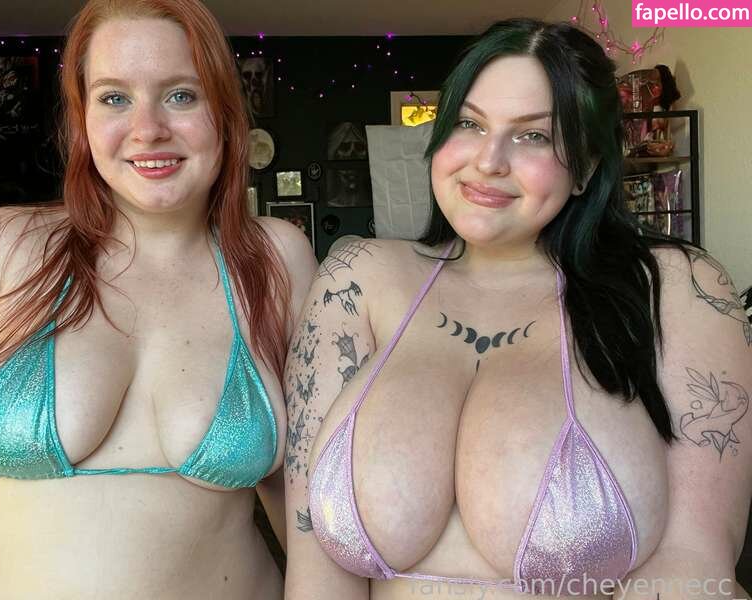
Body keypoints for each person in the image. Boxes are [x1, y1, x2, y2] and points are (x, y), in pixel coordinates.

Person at [284, 18, 751, 599]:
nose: (489, 161)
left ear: (585, 167)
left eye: (533, 136)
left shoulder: (677, 288)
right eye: (469, 124)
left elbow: (692, 570)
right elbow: (314, 577)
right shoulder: (355, 280)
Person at [0, 0, 315, 598]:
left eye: (181, 95)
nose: (148, 129)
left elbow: (303, 501)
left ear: (225, 112)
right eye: (114, 97)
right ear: (82, 118)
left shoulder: (276, 259)